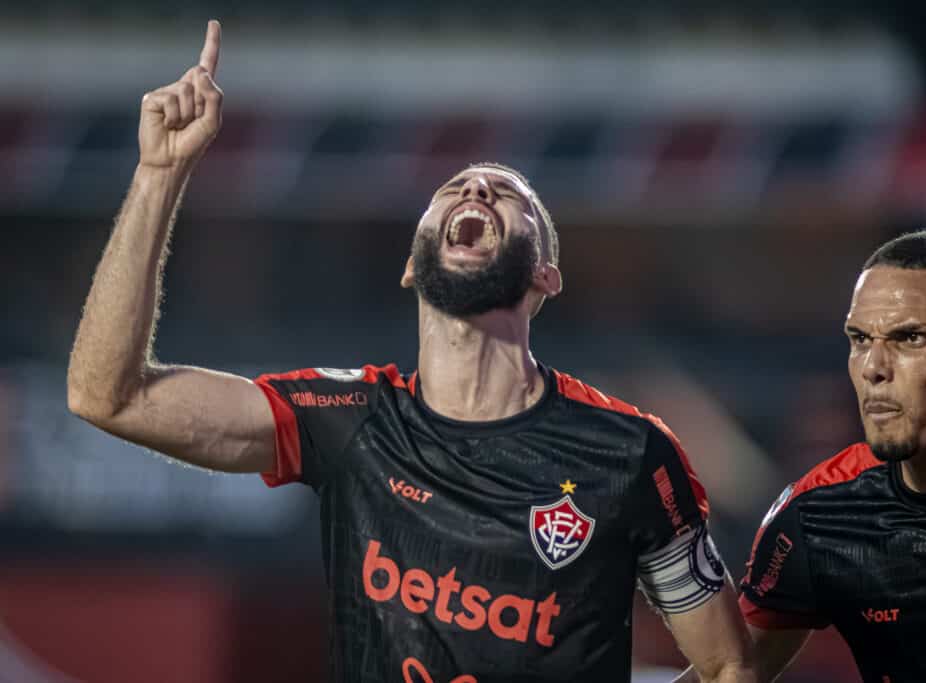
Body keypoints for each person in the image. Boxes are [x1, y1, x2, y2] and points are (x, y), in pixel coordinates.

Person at [66, 21, 757, 683]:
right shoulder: (349, 420)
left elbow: (729, 664)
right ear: (410, 263)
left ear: (546, 274)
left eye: (507, 194)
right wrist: (159, 173)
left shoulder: (630, 453)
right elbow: (108, 395)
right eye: (452, 188)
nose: (476, 187)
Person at [680, 230, 926, 683]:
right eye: (860, 339)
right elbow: (732, 670)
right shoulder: (820, 513)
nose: (872, 367)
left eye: (910, 338)